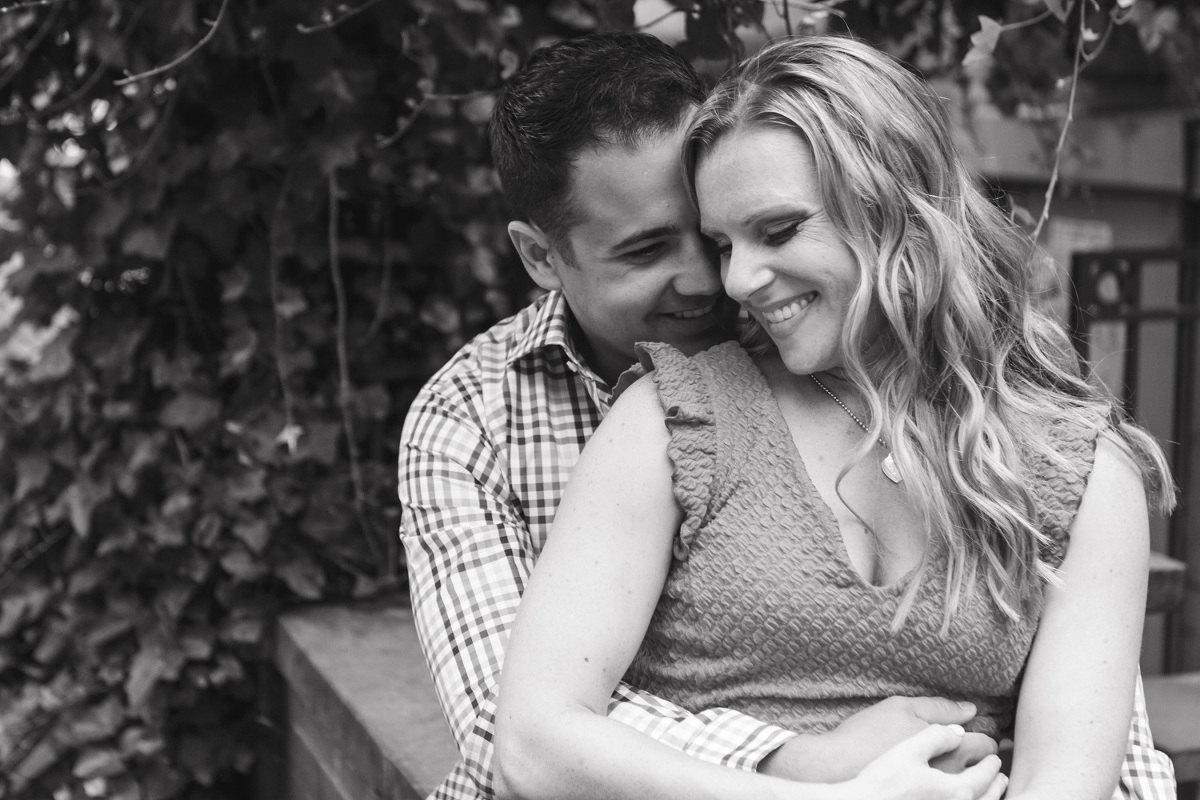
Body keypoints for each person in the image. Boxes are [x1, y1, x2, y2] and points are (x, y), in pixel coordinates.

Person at [492, 34, 1178, 800]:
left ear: (897, 210)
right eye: (723, 244)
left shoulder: (1073, 471)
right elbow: (534, 744)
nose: (739, 280)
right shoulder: (674, 420)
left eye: (778, 230)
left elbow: (1068, 781)